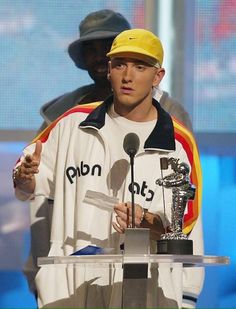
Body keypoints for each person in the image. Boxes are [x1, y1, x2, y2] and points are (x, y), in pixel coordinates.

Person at [13, 29, 203, 308]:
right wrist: (24, 177)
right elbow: (31, 184)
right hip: (70, 289)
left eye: (140, 66)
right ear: (109, 69)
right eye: (119, 64)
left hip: (148, 289)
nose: (128, 76)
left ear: (157, 76)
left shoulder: (178, 142)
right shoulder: (70, 124)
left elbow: (186, 226)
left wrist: (147, 223)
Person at [39, 9, 192, 132]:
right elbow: (36, 163)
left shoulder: (168, 112)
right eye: (91, 50)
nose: (100, 57)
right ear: (83, 57)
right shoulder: (62, 112)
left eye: (108, 47)